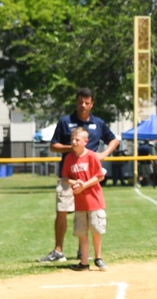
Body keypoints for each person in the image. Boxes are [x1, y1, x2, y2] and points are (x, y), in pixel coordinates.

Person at [38, 88, 118, 263]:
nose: (83, 105)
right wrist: (73, 148)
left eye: (87, 103)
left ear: (91, 104)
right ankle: (58, 250)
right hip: (69, 175)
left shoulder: (98, 123)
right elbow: (53, 146)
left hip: (89, 179)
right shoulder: (66, 122)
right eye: (80, 102)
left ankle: (84, 252)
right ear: (76, 102)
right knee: (62, 210)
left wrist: (103, 155)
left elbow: (114, 140)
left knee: (88, 214)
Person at [62, 127, 108, 271]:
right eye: (72, 139)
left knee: (96, 230)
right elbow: (65, 177)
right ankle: (84, 262)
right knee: (82, 233)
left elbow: (100, 176)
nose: (74, 142)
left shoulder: (92, 156)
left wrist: (84, 185)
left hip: (94, 200)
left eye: (77, 139)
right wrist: (74, 183)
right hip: (80, 203)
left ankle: (98, 258)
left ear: (85, 141)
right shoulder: (69, 158)